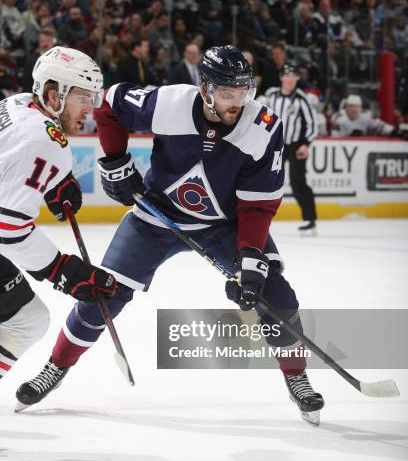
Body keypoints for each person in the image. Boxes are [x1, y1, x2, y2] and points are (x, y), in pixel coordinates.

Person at [16, 46, 324, 425]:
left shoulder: (262, 128)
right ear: (205, 88)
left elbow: (258, 205)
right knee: (104, 294)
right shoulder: (169, 103)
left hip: (224, 225)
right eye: (228, 93)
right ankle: (55, 367)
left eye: (243, 92)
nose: (237, 102)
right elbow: (109, 104)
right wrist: (114, 160)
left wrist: (250, 261)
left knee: (275, 295)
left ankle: (298, 377)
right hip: (154, 217)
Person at [0, 47, 117, 382]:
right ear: (54, 96)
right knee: (27, 321)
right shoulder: (46, 141)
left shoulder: (19, 103)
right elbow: (7, 227)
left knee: (29, 318)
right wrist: (61, 270)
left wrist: (53, 181)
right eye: (82, 98)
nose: (89, 110)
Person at [257, 63, 318, 235]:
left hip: (296, 145)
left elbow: (312, 123)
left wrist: (306, 143)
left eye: (293, 77)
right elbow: (261, 115)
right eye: (286, 76)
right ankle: (260, 219)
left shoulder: (301, 98)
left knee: (298, 182)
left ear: (297, 79)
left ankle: (310, 220)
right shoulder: (271, 96)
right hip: (276, 144)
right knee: (268, 181)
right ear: (282, 78)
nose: (289, 80)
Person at [331, 94, 396, 137]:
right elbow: (334, 136)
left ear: (360, 108)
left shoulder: (365, 118)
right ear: (346, 108)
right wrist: (350, 137)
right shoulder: (339, 118)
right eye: (351, 106)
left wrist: (394, 131)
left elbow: (380, 126)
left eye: (357, 107)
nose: (354, 109)